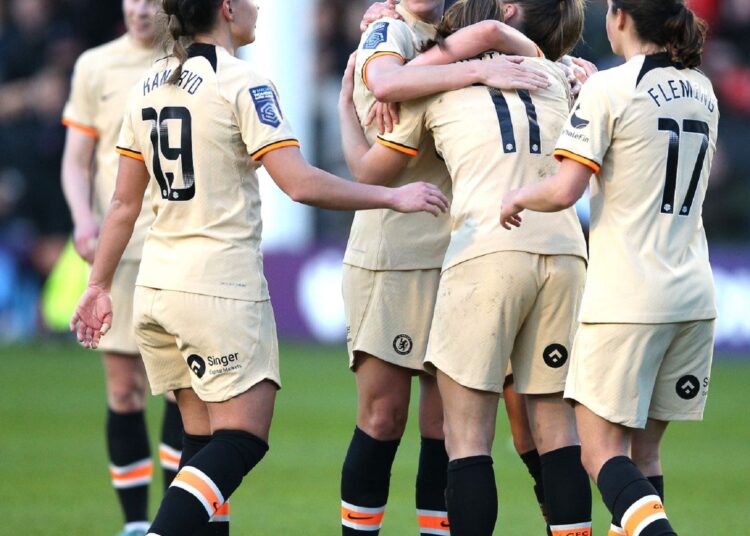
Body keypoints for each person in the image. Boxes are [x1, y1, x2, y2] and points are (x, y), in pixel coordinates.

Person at [70, 1, 449, 535]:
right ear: (226, 9)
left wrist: (98, 285)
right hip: (217, 289)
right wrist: (390, 197)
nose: (256, 10)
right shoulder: (243, 82)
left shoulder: (149, 84)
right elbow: (300, 183)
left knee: (200, 450)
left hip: (157, 289)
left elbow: (123, 205)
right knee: (242, 438)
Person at [340, 1, 594, 534]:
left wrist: (553, 64)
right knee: (388, 418)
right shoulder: (394, 30)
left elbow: (370, 153)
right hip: (409, 250)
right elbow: (386, 84)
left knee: (458, 433)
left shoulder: (468, 64)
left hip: (476, 250)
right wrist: (499, 61)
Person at [500, 1, 718, 535]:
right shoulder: (704, 89)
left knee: (599, 454)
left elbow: (563, 190)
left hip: (627, 297)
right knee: (643, 459)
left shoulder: (611, 89)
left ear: (619, 17)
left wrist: (517, 197)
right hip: (693, 294)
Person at [60, 2, 184, 535]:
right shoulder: (95, 65)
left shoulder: (190, 61)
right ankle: (136, 525)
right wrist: (83, 217)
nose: (138, 7)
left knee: (184, 391)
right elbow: (76, 158)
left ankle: (176, 519)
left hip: (178, 243)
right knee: (125, 389)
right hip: (121, 247)